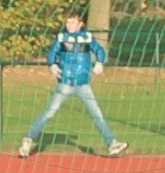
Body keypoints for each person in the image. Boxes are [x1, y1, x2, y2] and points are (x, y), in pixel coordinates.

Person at [19, 9, 126, 158]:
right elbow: (52, 53)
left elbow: (99, 50)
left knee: (97, 114)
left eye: (73, 22)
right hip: (65, 83)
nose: (69, 25)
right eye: (68, 22)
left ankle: (112, 144)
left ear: (80, 24)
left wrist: (99, 63)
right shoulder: (62, 38)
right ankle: (28, 140)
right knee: (49, 113)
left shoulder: (87, 38)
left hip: (83, 84)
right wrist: (52, 64)